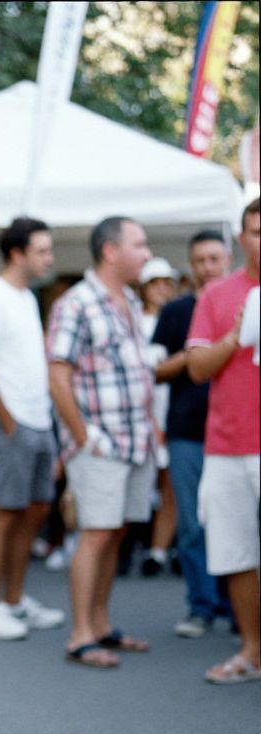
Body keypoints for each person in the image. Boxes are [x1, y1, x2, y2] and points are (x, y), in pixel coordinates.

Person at [47, 216, 154, 669]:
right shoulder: (76, 303)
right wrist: (85, 436)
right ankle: (81, 636)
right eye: (139, 244)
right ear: (111, 251)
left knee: (114, 533)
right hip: (101, 443)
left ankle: (101, 624)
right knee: (96, 534)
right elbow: (57, 376)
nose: (147, 253)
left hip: (135, 440)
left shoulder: (130, 298)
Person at [0, 217, 65, 640]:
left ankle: (15, 600)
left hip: (36, 421)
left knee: (32, 513)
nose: (49, 258)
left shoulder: (25, 297)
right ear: (17, 253)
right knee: (4, 513)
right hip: (10, 423)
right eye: (42, 250)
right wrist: (8, 421)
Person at [186, 198, 261, 684]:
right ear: (241, 238)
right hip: (229, 445)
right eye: (256, 232)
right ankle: (251, 651)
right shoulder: (217, 294)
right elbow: (196, 368)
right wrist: (235, 336)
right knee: (236, 553)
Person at [150, 231, 231, 636]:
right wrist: (196, 355)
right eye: (199, 260)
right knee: (192, 525)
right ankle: (201, 606)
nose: (206, 267)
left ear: (227, 258)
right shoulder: (176, 311)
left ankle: (236, 610)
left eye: (213, 259)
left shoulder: (243, 303)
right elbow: (155, 370)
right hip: (186, 431)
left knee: (233, 523)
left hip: (233, 433)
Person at [138, 256, 180, 577]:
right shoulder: (135, 320)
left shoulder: (178, 317)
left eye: (167, 283)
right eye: (155, 283)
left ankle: (159, 550)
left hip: (172, 413)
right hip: (143, 415)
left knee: (170, 486)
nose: (162, 289)